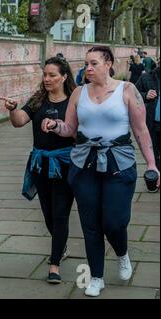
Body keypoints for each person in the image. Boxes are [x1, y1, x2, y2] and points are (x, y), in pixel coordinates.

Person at [41, 46, 160, 297]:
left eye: (94, 63)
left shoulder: (127, 90)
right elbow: (70, 129)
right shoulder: (78, 93)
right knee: (91, 224)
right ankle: (96, 276)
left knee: (114, 223)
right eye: (86, 64)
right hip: (84, 163)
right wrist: (55, 125)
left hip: (119, 162)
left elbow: (141, 131)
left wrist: (151, 164)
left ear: (109, 64)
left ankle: (122, 253)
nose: (88, 68)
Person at [1, 56, 76, 285]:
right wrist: (13, 109)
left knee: (61, 212)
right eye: (45, 74)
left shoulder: (74, 101)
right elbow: (19, 121)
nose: (47, 79)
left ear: (64, 77)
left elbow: (78, 131)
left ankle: (54, 264)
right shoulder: (37, 100)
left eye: (52, 75)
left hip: (65, 164)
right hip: (40, 164)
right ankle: (60, 245)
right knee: (48, 214)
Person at [136, 65, 160, 170]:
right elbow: (133, 95)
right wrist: (145, 95)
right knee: (153, 154)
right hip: (152, 124)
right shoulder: (146, 77)